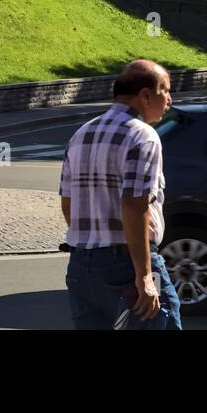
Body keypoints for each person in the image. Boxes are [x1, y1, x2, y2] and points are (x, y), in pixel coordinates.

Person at [60, 59, 182, 330]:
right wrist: (145, 276)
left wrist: (92, 244)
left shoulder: (81, 134)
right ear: (145, 95)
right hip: (126, 264)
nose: (170, 99)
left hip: (81, 265)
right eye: (166, 90)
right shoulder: (143, 137)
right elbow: (135, 206)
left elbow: (68, 204)